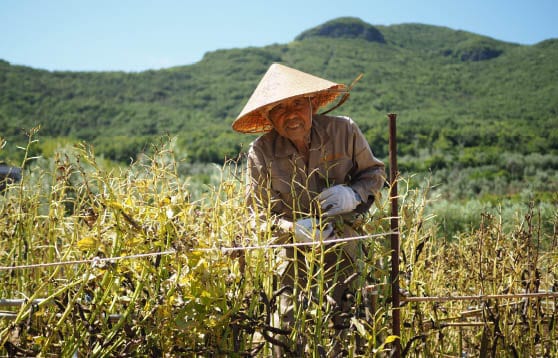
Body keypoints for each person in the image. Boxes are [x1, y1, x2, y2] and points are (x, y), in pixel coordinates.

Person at [232, 63, 385, 356]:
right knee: (286, 327)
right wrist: (292, 228)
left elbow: (374, 174)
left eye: (298, 103)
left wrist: (352, 195)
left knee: (347, 322)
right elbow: (257, 215)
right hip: (291, 256)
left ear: (312, 104)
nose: (291, 114)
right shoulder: (261, 152)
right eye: (279, 108)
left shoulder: (344, 130)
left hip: (343, 246)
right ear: (268, 117)